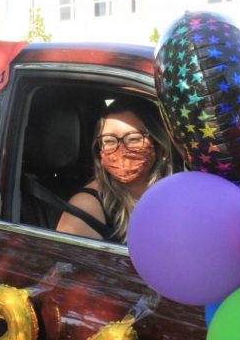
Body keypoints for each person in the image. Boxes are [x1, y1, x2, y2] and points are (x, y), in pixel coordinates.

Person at [56, 98, 172, 243]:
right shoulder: (87, 205)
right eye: (109, 141)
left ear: (159, 147)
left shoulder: (176, 193)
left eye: (133, 139)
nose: (121, 150)